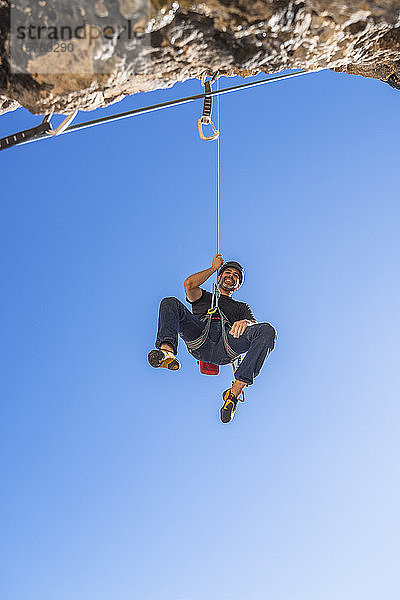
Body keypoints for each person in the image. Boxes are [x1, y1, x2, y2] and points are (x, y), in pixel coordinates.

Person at [148, 254, 276, 423]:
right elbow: (189, 285)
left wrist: (245, 322)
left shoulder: (241, 307)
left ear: (237, 287)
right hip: (200, 336)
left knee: (267, 332)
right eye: (228, 273)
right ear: (220, 276)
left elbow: (254, 323)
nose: (231, 276)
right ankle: (167, 352)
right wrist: (214, 268)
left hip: (227, 345)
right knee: (170, 302)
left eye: (235, 276)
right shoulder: (204, 297)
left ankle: (233, 394)